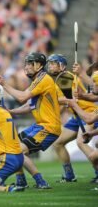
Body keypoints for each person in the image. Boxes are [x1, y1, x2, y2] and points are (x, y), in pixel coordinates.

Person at [0, 52, 61, 189]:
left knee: (18, 151)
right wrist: (12, 111)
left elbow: (22, 98)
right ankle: (21, 180)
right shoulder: (38, 80)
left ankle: (41, 181)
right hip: (39, 125)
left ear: (39, 65)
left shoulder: (43, 79)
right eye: (25, 64)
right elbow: (29, 105)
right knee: (11, 146)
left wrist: (5, 85)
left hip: (49, 127)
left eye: (29, 64)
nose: (26, 67)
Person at [47, 55, 98, 183]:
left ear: (62, 66)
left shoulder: (66, 78)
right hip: (76, 116)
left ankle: (97, 172)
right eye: (50, 64)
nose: (50, 66)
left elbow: (69, 100)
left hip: (86, 112)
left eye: (53, 63)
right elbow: (65, 102)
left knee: (81, 142)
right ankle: (69, 175)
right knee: (57, 143)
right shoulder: (59, 80)